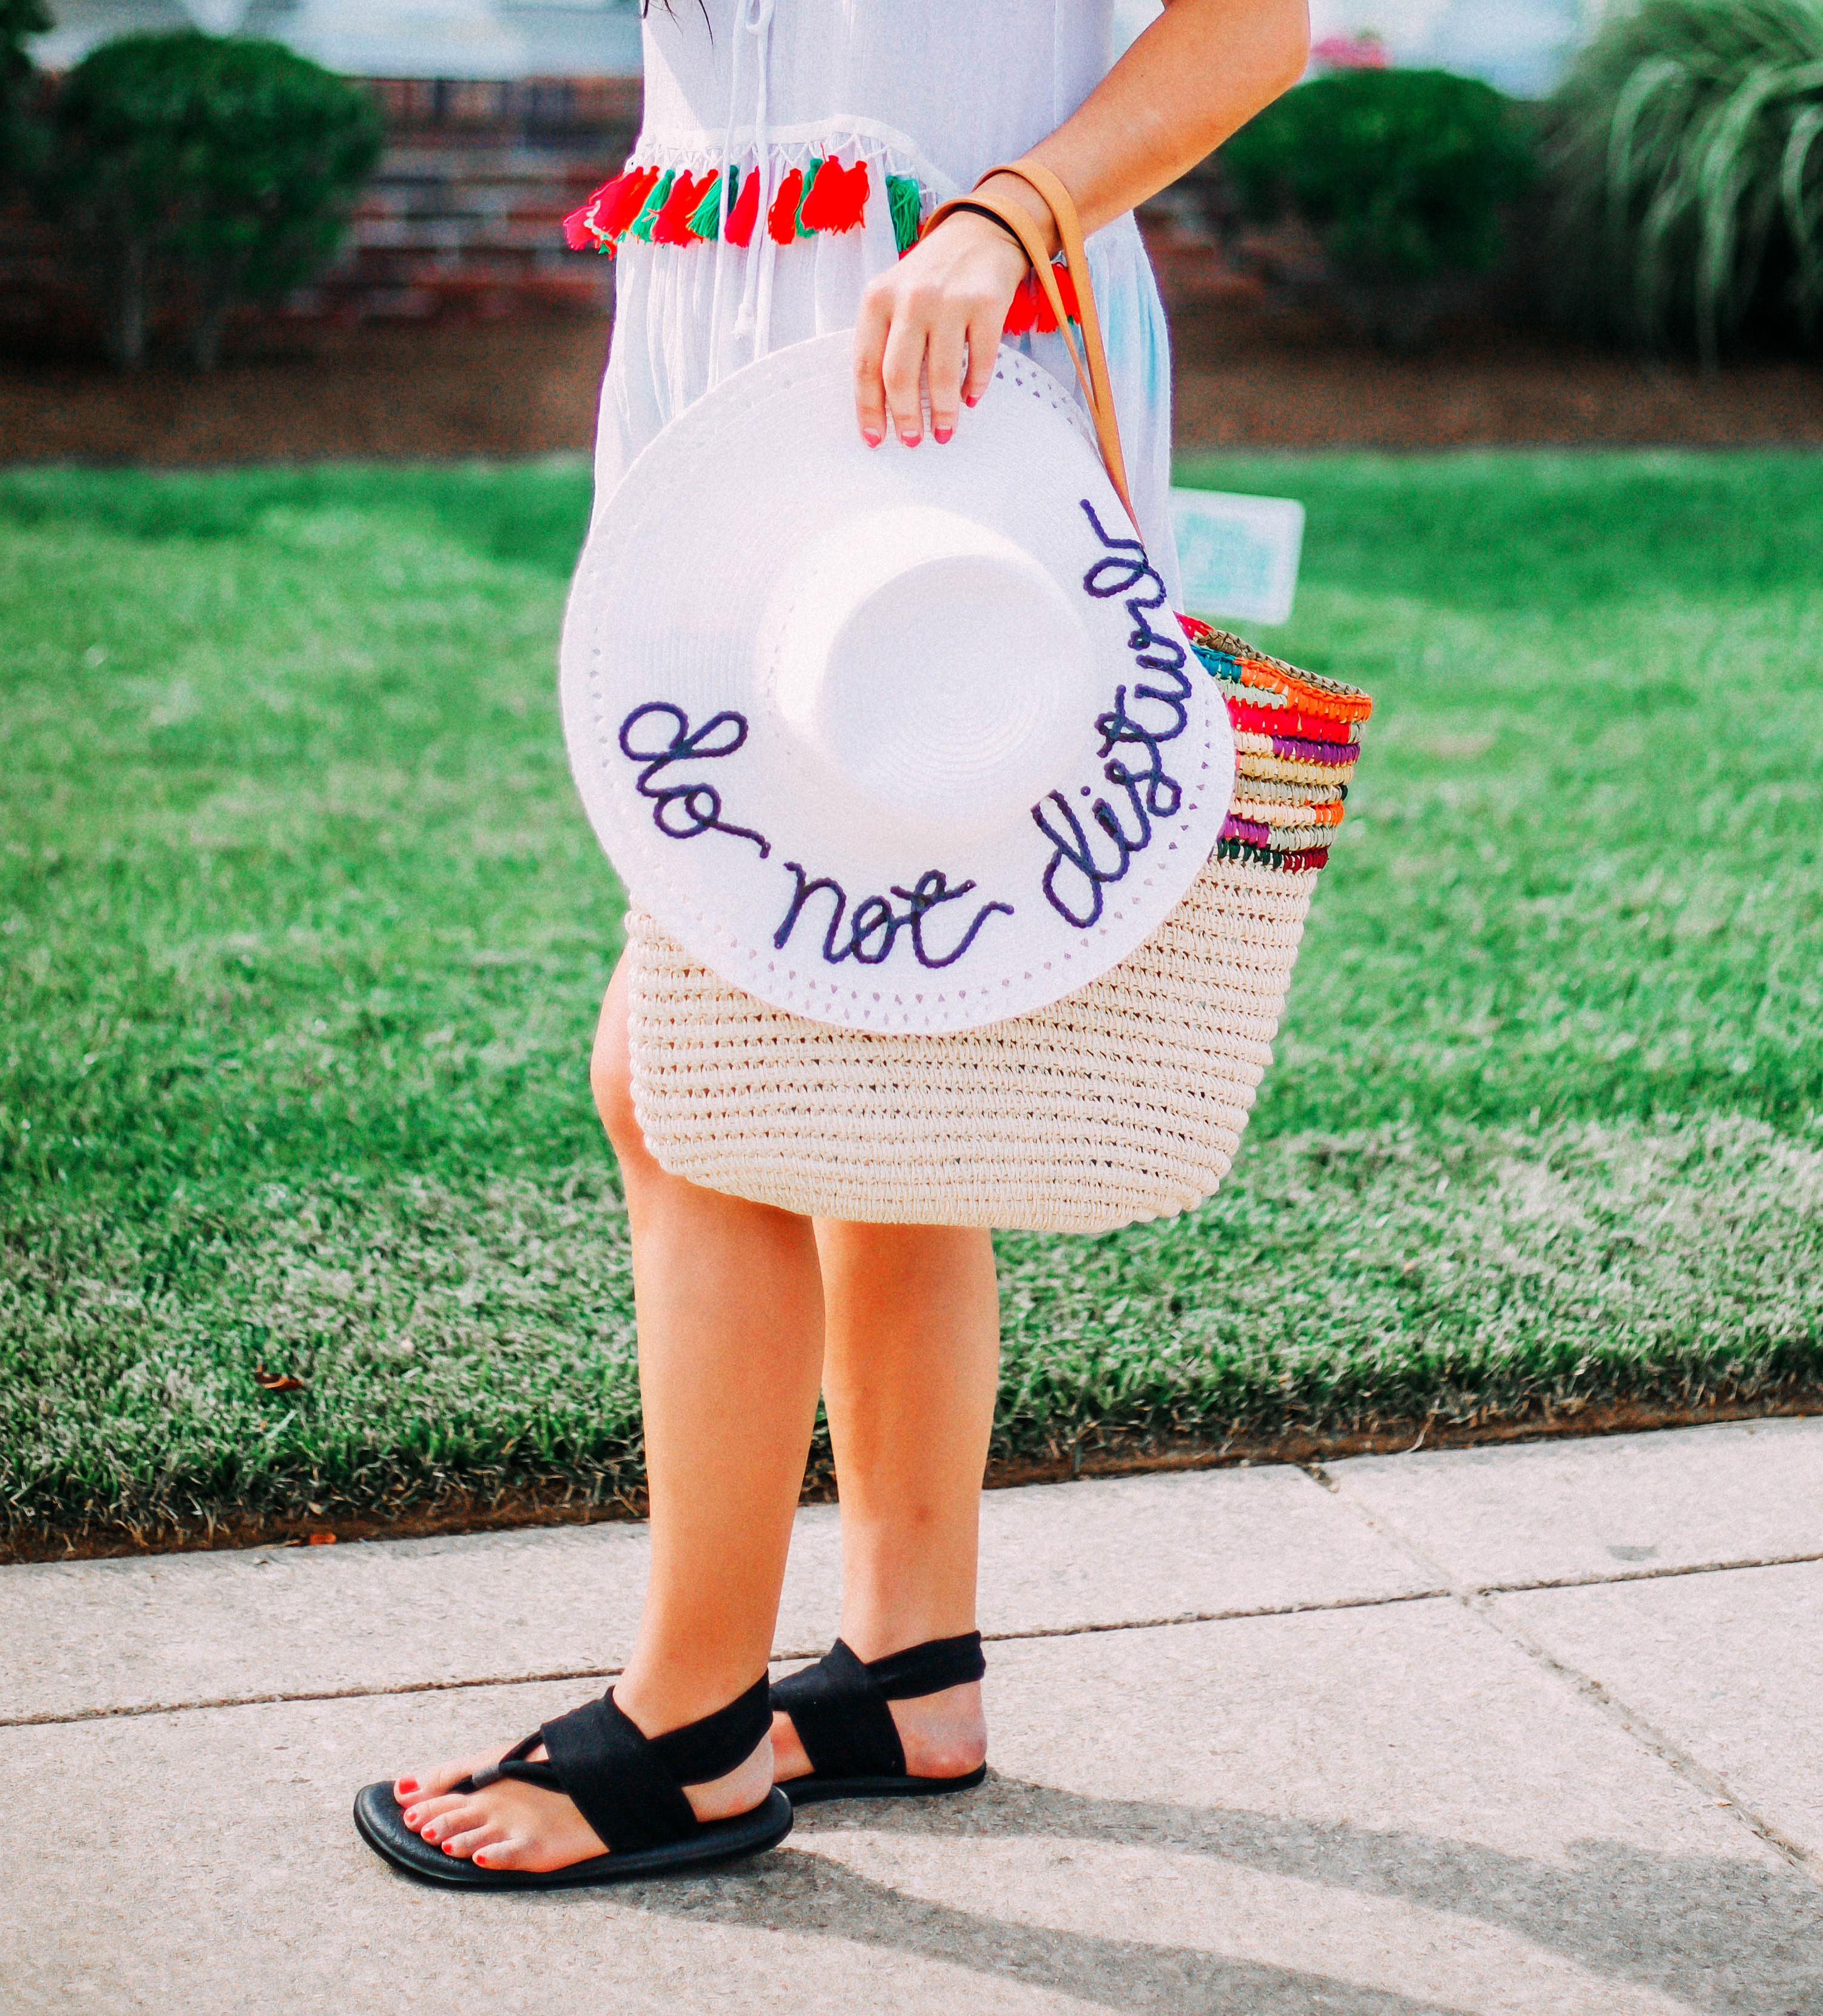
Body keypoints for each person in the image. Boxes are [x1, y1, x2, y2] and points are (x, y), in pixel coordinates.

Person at [385, 0, 1310, 1878]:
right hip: (722, 348)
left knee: (690, 1086)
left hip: (945, 352)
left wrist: (1006, 214)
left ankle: (690, 1725)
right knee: (880, 1056)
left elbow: (1256, 25)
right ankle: (906, 1667)